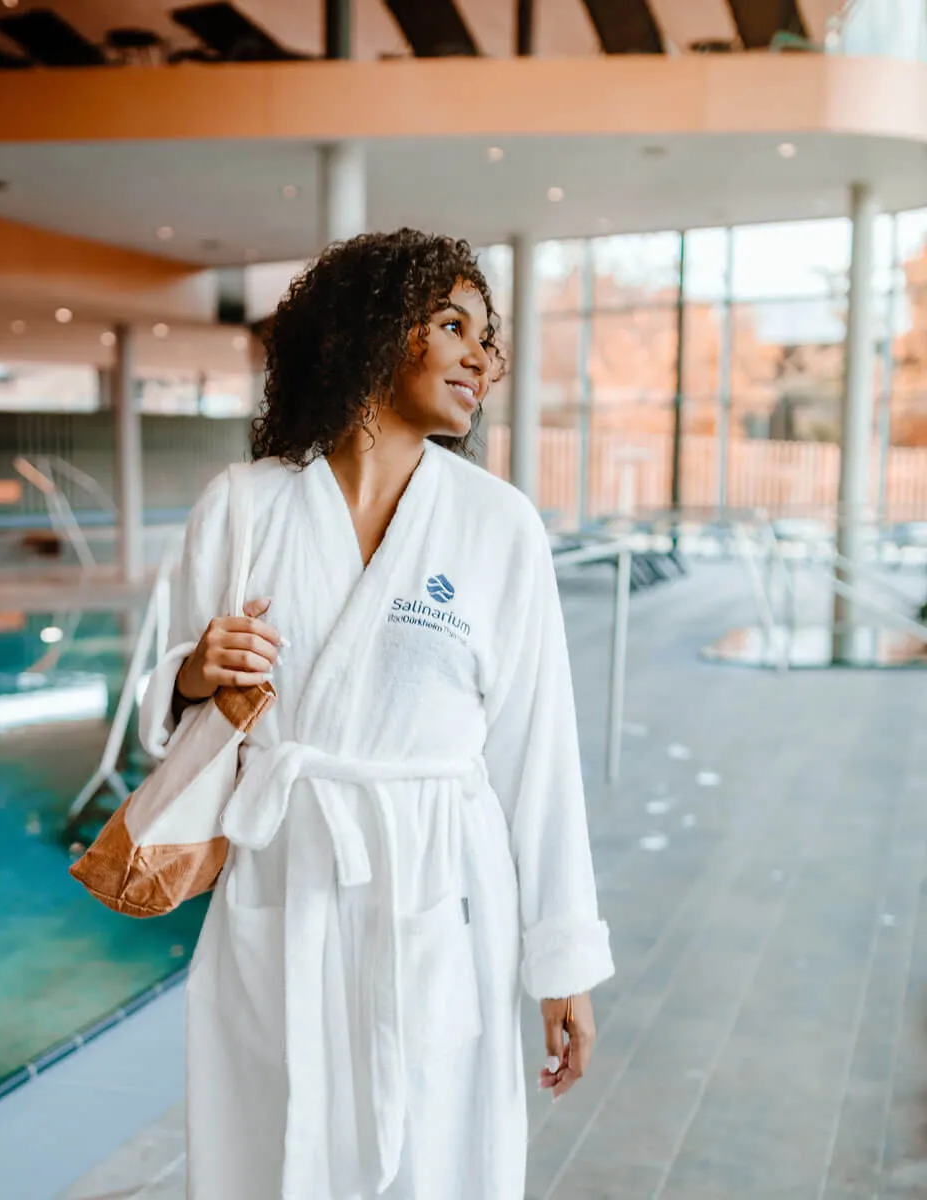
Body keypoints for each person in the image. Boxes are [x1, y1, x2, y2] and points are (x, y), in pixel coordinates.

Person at [139, 229, 614, 1199]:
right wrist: (190, 675)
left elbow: (539, 753)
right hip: (287, 876)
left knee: (438, 1150)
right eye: (452, 325)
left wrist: (561, 960)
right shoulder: (245, 505)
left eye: (488, 336)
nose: (483, 356)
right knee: (276, 1149)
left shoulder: (496, 524)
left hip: (437, 880)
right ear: (369, 331)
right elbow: (171, 704)